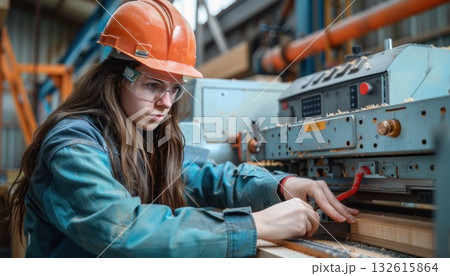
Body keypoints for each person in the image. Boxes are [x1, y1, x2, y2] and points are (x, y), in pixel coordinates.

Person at [7, 0, 358, 257]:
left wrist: (281, 185)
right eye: (151, 85)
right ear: (113, 80)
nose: (166, 103)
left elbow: (206, 176)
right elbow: (120, 229)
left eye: (175, 88)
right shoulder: (73, 145)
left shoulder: (145, 136)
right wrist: (255, 226)